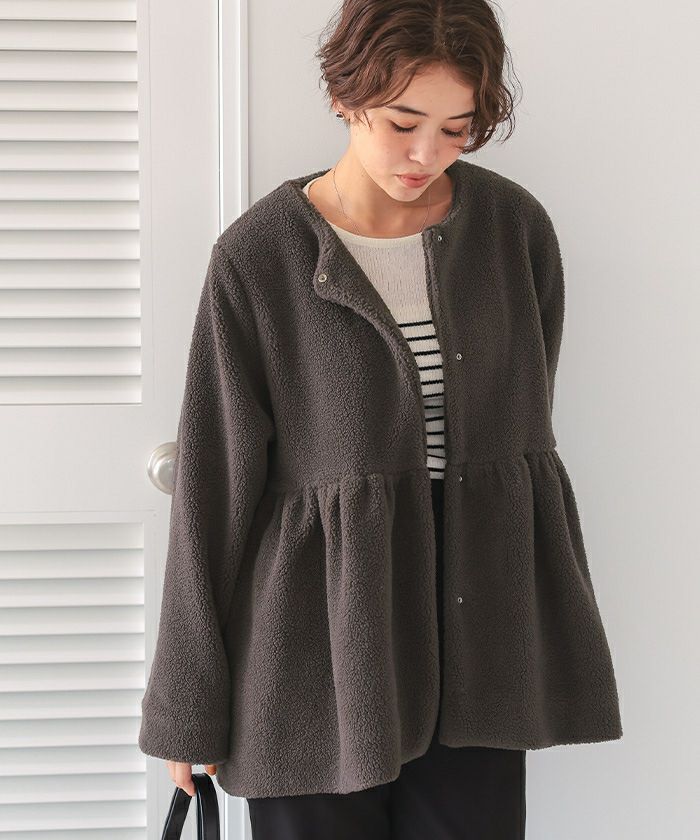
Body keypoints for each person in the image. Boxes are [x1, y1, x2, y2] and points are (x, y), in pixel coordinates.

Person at [139, 2, 623, 837]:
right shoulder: (258, 257)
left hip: (479, 646)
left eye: (456, 130)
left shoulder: (514, 232)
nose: (426, 155)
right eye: (403, 123)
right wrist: (188, 705)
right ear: (345, 96)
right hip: (314, 658)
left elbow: (522, 435)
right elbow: (213, 489)